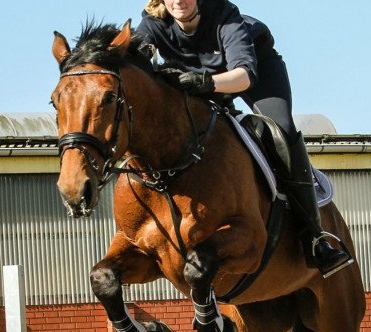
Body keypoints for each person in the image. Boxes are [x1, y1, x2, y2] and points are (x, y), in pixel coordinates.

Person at [136, 0, 352, 277]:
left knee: (281, 130)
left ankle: (315, 238)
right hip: (197, 78)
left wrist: (206, 83)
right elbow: (131, 58)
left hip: (252, 71)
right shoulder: (153, 21)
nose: (179, 0)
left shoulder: (224, 14)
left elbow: (244, 76)